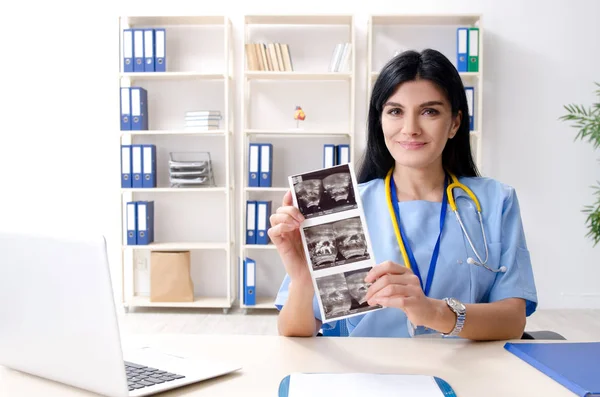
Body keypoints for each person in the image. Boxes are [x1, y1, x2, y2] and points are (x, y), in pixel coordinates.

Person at [268, 48, 538, 340]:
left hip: (467, 373)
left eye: (429, 112)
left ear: (455, 123)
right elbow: (294, 333)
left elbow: (513, 320)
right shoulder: (339, 206)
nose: (410, 129)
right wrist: (302, 279)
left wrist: (432, 312)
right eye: (395, 111)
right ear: (380, 121)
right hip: (366, 376)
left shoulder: (495, 201)